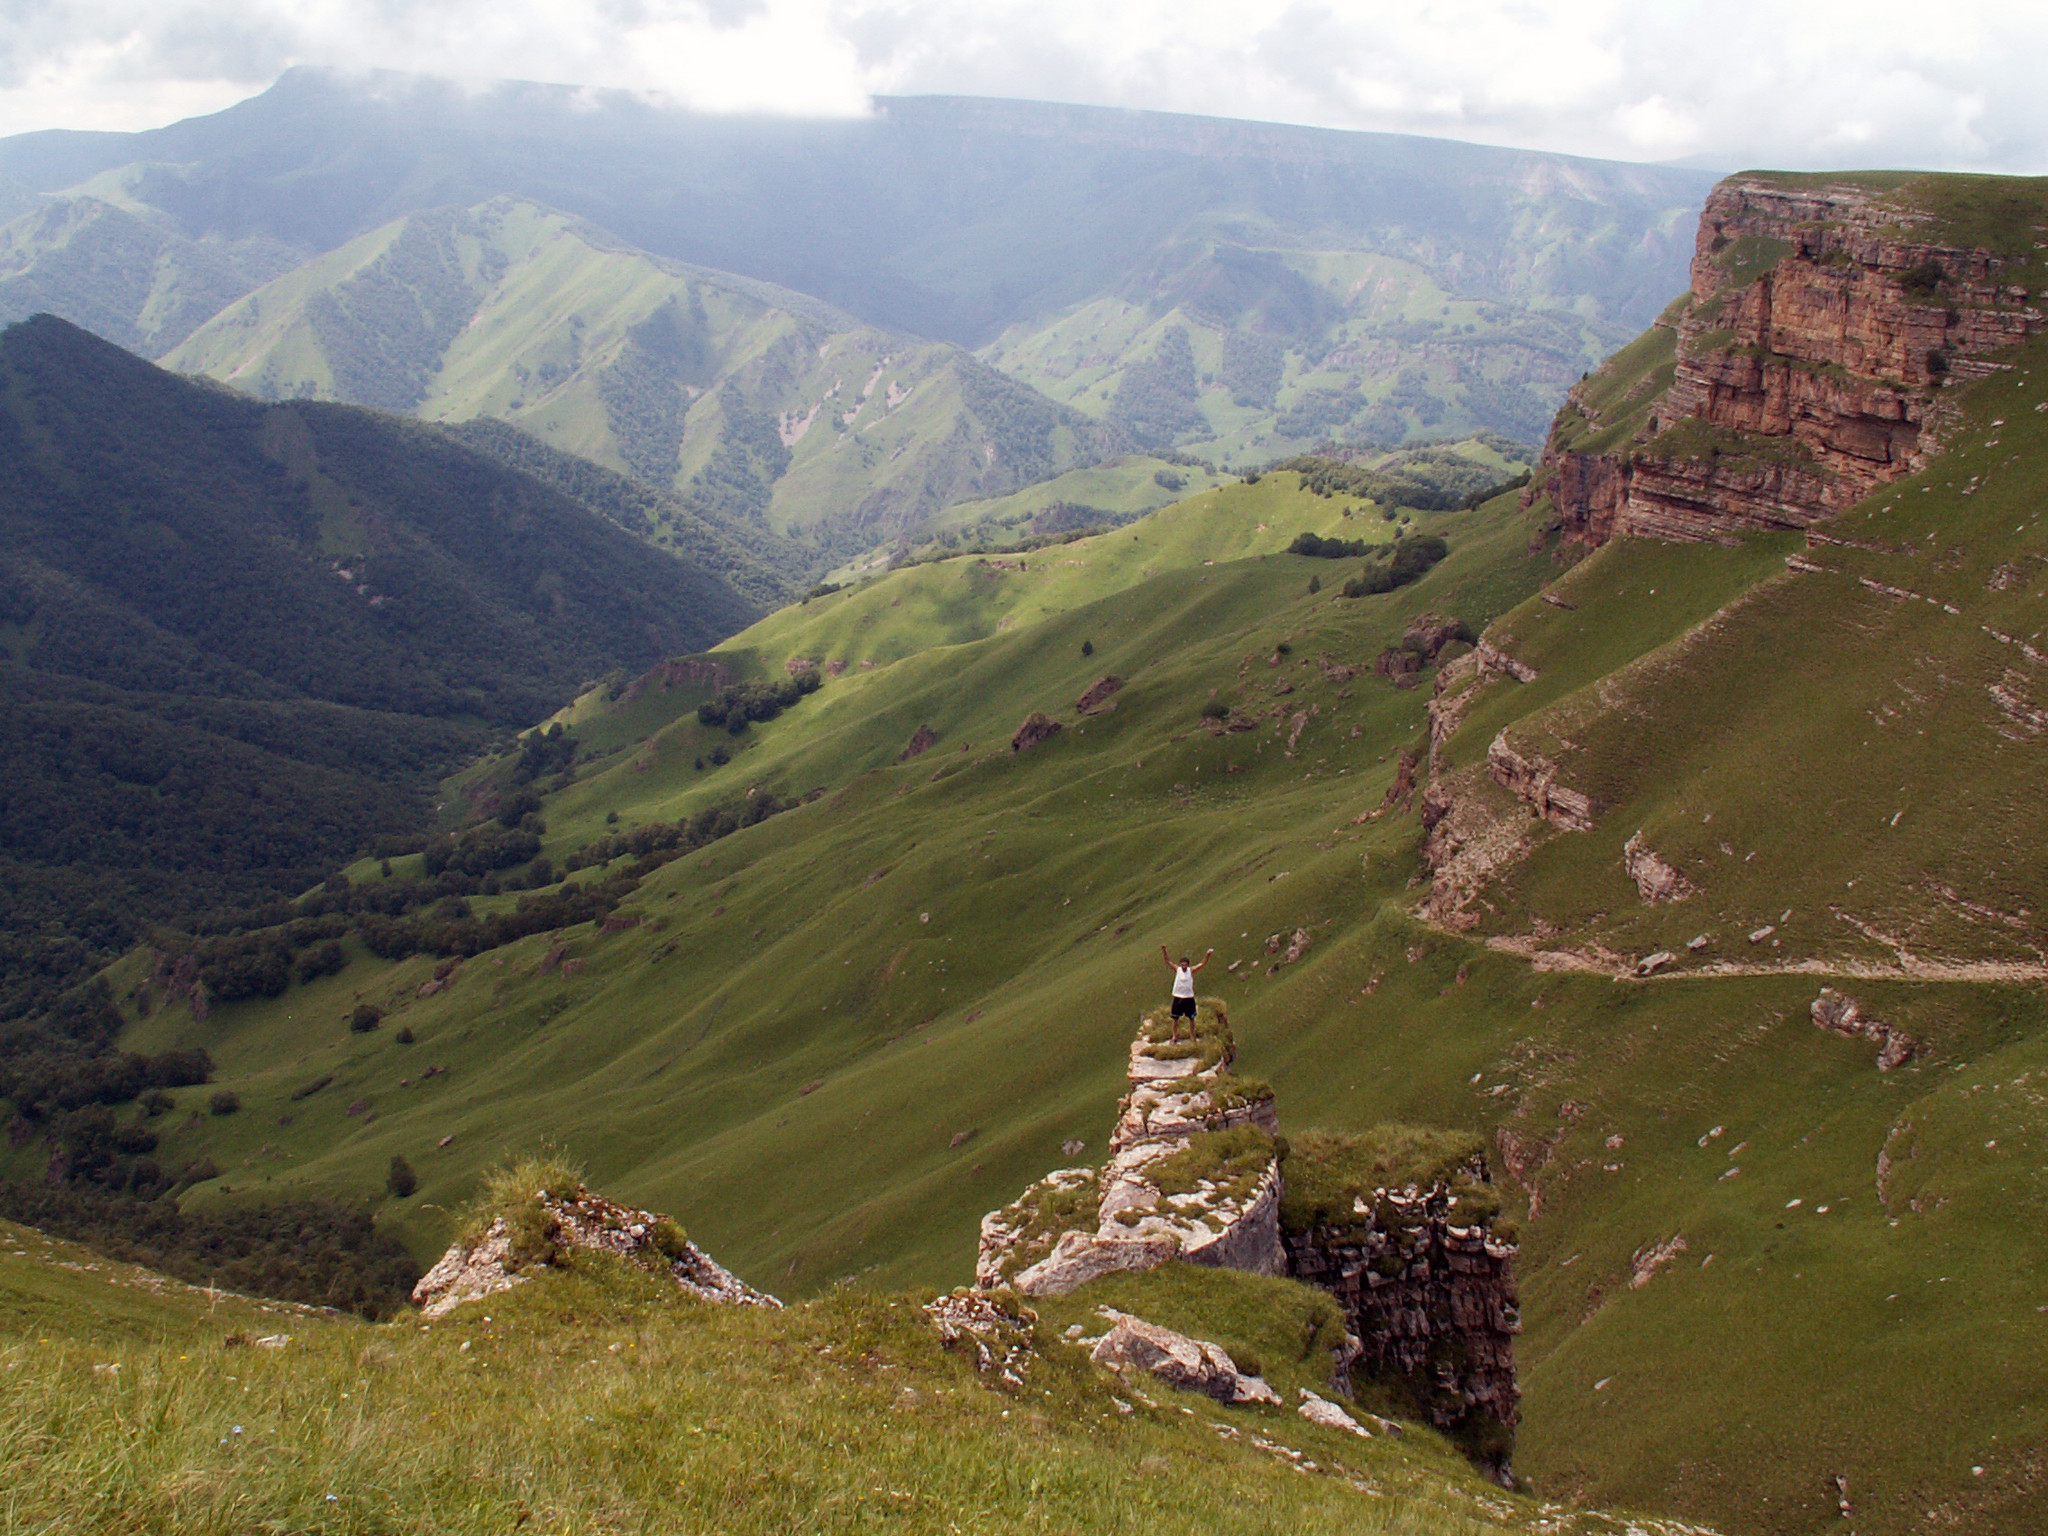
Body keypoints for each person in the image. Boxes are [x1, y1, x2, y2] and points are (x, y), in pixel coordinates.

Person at [1160, 945, 1213, 1040]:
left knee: (1191, 1018)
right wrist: (1164, 951)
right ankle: (1174, 1036)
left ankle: (1192, 1035)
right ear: (1180, 964)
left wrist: (1208, 955)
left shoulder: (1191, 970)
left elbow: (1202, 964)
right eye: (1182, 964)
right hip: (1178, 997)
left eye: (1185, 964)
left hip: (1188, 997)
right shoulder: (1177, 969)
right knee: (1175, 1018)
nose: (1183, 966)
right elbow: (1168, 961)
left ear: (1188, 965)